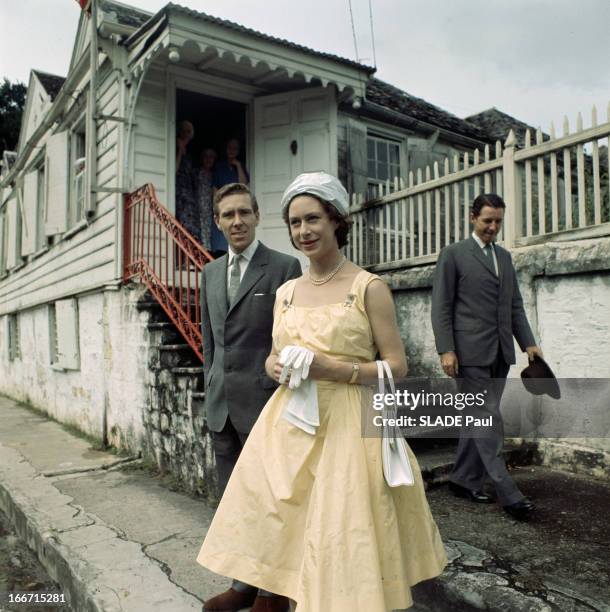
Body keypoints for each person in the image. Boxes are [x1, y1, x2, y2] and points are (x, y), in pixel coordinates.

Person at [197, 172, 447, 612]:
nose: (304, 231)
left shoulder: (369, 287)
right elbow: (275, 354)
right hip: (290, 421)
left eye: (313, 219)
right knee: (280, 517)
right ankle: (270, 597)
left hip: (349, 424)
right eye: (294, 223)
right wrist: (274, 365)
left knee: (341, 530)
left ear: (336, 220)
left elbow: (397, 365)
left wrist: (337, 369)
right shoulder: (287, 291)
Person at [199, 182, 302, 611]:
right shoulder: (209, 272)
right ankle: (241, 586)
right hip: (222, 406)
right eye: (228, 215)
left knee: (269, 500)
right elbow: (210, 342)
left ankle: (272, 593)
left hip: (266, 405)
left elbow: (295, 339)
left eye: (244, 212)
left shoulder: (283, 267)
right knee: (235, 504)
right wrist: (210, 387)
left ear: (257, 216)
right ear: (218, 222)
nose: (236, 221)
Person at [431, 193, 543, 520]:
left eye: (497, 221)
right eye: (487, 221)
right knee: (488, 419)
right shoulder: (453, 255)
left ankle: (463, 479)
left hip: (500, 353)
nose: (493, 227)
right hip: (468, 354)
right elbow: (441, 307)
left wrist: (528, 344)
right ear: (472, 218)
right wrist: (446, 349)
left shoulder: (504, 258)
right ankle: (508, 492)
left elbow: (515, 305)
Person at [210, 138, 249, 254]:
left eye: (235, 148)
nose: (232, 151)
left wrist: (237, 165)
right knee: (221, 237)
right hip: (223, 204)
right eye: (229, 148)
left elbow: (243, 184)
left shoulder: (240, 166)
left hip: (237, 203)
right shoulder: (219, 166)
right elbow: (214, 188)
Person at [175, 120, 200, 239]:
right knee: (181, 225)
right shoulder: (174, 146)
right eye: (184, 130)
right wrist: (180, 150)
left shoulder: (191, 152)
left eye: (189, 131)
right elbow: (174, 170)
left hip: (189, 194)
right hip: (178, 193)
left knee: (191, 227)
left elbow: (193, 174)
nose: (187, 134)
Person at [195, 147, 217, 251]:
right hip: (197, 211)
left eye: (211, 157)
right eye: (206, 156)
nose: (208, 159)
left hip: (210, 211)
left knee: (208, 237)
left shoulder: (215, 175)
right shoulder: (196, 172)